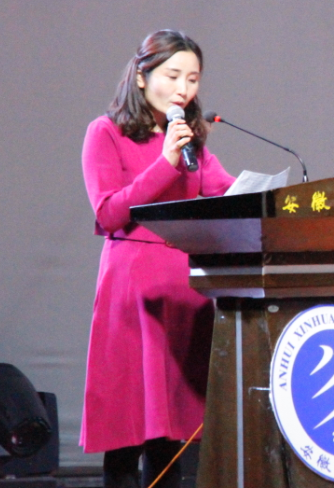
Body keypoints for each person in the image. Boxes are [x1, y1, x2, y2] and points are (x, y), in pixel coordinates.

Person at [80, 30, 236, 488]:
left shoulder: (190, 141)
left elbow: (226, 192)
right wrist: (165, 163)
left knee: (171, 434)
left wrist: (269, 196)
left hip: (183, 289)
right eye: (173, 75)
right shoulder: (105, 132)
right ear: (142, 76)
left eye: (193, 79)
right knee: (128, 424)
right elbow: (109, 212)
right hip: (133, 290)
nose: (183, 89)